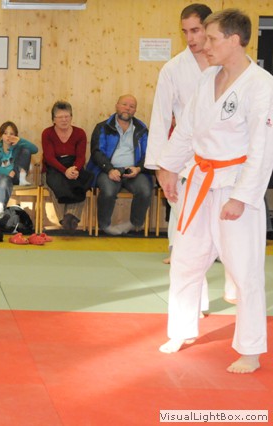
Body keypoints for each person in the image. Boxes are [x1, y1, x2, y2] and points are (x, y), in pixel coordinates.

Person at [156, 9, 273, 374]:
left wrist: (242, 196)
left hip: (235, 184)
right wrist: (168, 167)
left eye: (211, 38)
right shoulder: (208, 78)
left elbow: (262, 148)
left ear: (234, 40)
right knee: (186, 259)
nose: (203, 45)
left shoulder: (261, 84)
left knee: (244, 269)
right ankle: (181, 330)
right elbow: (186, 130)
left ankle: (250, 349)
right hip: (199, 181)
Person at [146, 3, 236, 313]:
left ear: (210, 28)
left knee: (225, 232)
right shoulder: (173, 69)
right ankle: (195, 303)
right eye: (185, 32)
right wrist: (161, 166)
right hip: (186, 162)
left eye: (196, 30)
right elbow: (160, 118)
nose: (191, 38)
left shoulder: (227, 65)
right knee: (189, 238)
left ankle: (234, 280)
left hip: (225, 160)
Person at [85, 95, 152, 235]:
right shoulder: (102, 127)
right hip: (108, 170)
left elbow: (149, 153)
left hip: (133, 171)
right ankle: (105, 225)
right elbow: (97, 152)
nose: (127, 108)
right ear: (117, 105)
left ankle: (135, 223)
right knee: (108, 192)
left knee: (145, 190)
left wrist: (138, 168)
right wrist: (109, 169)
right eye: (124, 104)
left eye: (132, 106)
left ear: (135, 110)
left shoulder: (142, 130)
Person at [41, 101, 92, 231]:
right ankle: (63, 219)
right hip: (54, 168)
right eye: (60, 117)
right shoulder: (47, 133)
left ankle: (71, 216)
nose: (64, 120)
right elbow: (49, 158)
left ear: (71, 117)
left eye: (67, 116)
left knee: (83, 182)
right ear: (53, 119)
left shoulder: (80, 133)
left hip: (74, 166)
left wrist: (75, 169)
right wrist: (65, 171)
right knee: (54, 183)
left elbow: (81, 157)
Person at [0, 121, 38, 219]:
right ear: (1, 135)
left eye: (11, 134)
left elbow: (35, 150)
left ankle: (22, 178)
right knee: (4, 179)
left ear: (15, 136)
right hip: (1, 177)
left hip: (16, 176)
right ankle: (0, 205)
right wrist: (7, 172)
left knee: (26, 150)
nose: (8, 136)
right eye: (5, 133)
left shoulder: (18, 146)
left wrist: (20, 140)